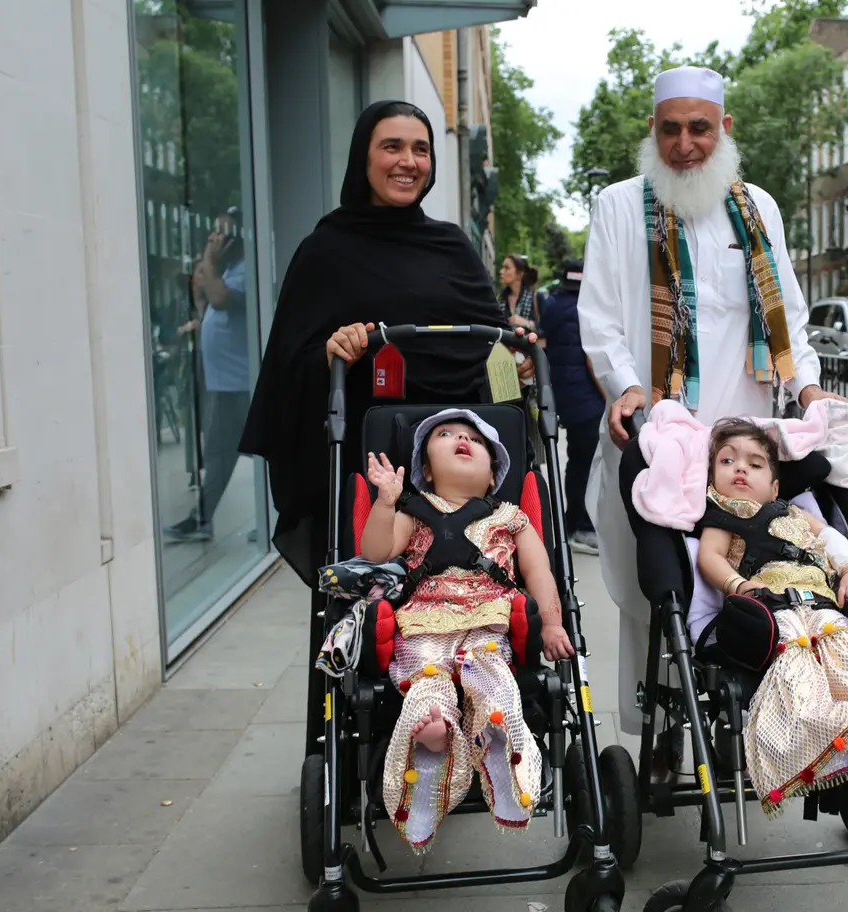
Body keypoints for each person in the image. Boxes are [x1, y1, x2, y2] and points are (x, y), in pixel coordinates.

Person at [238, 100, 533, 758]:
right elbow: (292, 356)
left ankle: (470, 708)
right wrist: (333, 351)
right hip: (368, 467)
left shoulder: (451, 245)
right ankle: (383, 726)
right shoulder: (327, 249)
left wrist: (518, 358)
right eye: (392, 147)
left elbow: (486, 348)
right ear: (363, 157)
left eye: (420, 149)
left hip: (454, 460)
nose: (408, 161)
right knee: (376, 603)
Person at [577, 65, 844, 741]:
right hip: (659, 438)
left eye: (700, 128)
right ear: (653, 132)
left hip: (743, 449)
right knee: (656, 594)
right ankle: (663, 737)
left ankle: (758, 715)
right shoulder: (617, 207)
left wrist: (809, 386)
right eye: (671, 129)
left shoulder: (759, 209)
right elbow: (602, 318)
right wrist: (625, 384)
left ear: (724, 129)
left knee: (757, 577)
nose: (685, 144)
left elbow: (791, 320)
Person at [356, 411, 573, 851]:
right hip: (423, 623)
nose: (462, 439)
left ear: (493, 475)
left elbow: (540, 572)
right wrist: (385, 503)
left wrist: (551, 622)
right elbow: (376, 552)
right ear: (427, 470)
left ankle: (496, 733)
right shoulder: (412, 510)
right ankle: (432, 734)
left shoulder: (511, 518)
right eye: (446, 435)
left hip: (488, 621)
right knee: (427, 679)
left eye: (475, 438)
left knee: (493, 677)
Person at [694, 419, 848, 815]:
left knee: (846, 648)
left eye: (755, 464)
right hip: (773, 604)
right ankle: (822, 732)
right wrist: (736, 585)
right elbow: (708, 556)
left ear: (775, 487)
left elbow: (832, 539)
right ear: (712, 478)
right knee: (796, 658)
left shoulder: (795, 513)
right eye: (728, 461)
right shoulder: (724, 516)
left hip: (824, 602)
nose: (740, 468)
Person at [166, 207, 252, 543]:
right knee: (219, 452)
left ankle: (275, 520)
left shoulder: (244, 271)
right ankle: (201, 517)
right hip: (226, 383)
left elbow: (219, 298)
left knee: (243, 452)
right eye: (214, 233)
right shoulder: (229, 269)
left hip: (240, 384)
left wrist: (208, 259)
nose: (215, 240)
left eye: (222, 234)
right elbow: (207, 302)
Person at [538, 258, 604, 555]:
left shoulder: (551, 305)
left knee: (576, 462)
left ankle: (571, 522)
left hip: (566, 394)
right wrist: (611, 396)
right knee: (588, 465)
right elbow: (592, 359)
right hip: (588, 396)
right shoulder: (586, 309)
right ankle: (582, 527)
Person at [498, 254, 542, 333]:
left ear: (519, 274)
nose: (501, 271)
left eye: (506, 268)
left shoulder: (535, 297)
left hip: (530, 344)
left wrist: (526, 323)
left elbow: (548, 327)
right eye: (502, 267)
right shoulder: (501, 299)